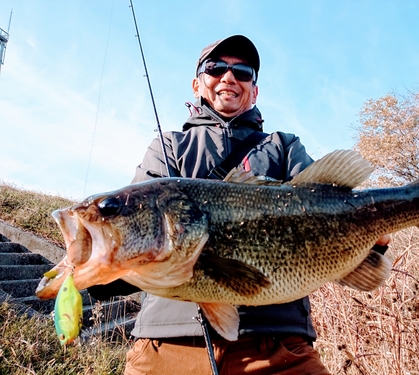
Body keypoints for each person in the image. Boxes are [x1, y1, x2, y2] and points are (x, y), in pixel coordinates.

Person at [89, 35, 389, 375]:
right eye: (215, 68)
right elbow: (131, 241)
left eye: (243, 72)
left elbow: (333, 214)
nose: (229, 78)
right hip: (166, 347)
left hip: (279, 348)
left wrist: (372, 243)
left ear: (254, 90)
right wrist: (97, 266)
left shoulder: (284, 147)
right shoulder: (169, 148)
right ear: (197, 84)